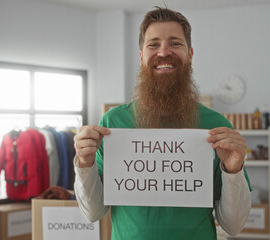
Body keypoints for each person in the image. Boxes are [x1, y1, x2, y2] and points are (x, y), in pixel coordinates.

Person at [74, 7, 251, 240]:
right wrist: (85, 163)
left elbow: (233, 225)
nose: (164, 52)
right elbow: (93, 213)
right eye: (153, 44)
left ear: (190, 54)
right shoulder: (113, 123)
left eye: (175, 43)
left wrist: (233, 170)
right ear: (141, 56)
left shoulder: (215, 125)